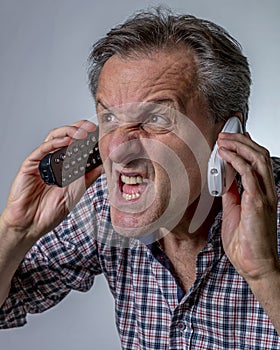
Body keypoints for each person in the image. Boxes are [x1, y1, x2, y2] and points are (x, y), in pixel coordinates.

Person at [0, 7, 280, 349]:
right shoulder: (104, 203)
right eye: (109, 118)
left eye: (156, 120)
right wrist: (16, 232)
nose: (118, 150)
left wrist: (265, 274)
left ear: (227, 134)